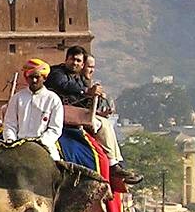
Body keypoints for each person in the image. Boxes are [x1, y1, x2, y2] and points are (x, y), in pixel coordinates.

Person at [46, 46, 142, 184]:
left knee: (104, 121)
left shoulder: (79, 78)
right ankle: (113, 164)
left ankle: (116, 161)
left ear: (82, 64)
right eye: (72, 59)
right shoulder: (56, 72)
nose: (75, 63)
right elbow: (63, 85)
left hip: (75, 112)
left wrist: (97, 107)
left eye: (78, 61)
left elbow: (82, 99)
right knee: (104, 125)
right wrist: (86, 91)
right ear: (66, 59)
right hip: (58, 112)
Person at [1, 58, 64, 159]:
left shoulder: (53, 99)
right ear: (26, 78)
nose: (34, 80)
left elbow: (55, 129)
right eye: (31, 77)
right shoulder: (17, 98)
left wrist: (40, 143)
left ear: (44, 78)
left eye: (37, 77)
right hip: (17, 146)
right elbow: (9, 124)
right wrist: (10, 140)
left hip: (43, 147)